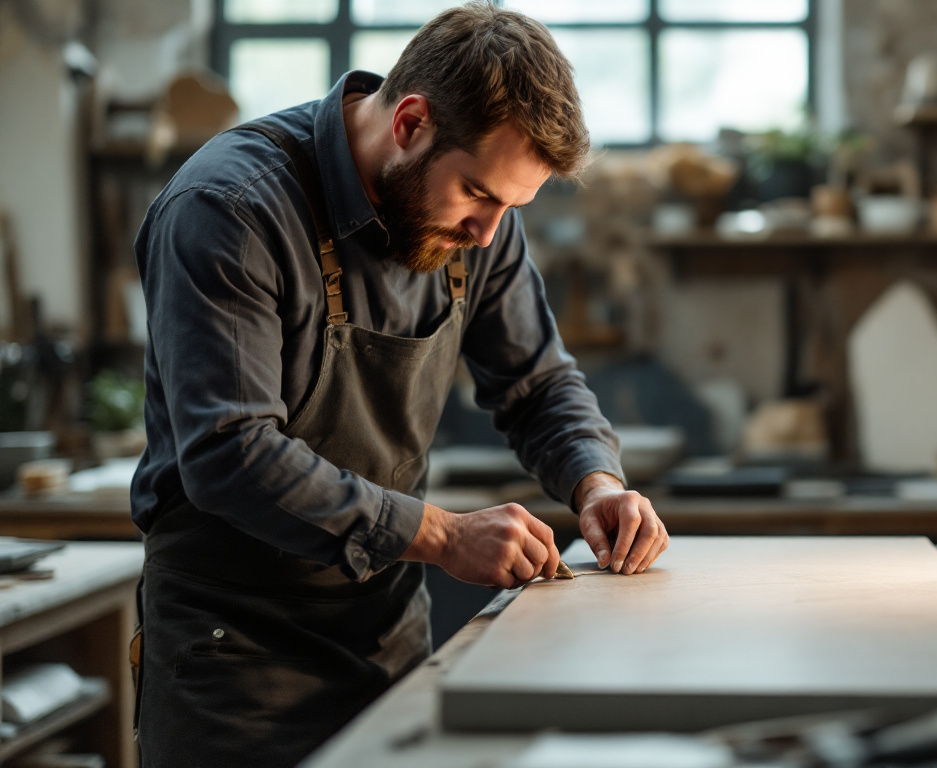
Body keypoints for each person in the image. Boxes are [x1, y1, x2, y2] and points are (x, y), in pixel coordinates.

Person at [130, 4, 668, 766]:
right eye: (480, 195)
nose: (489, 232)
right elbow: (230, 453)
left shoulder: (478, 222)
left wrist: (597, 483)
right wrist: (445, 536)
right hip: (236, 661)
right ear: (411, 122)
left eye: (510, 207)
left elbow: (538, 382)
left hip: (387, 639)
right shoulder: (230, 210)